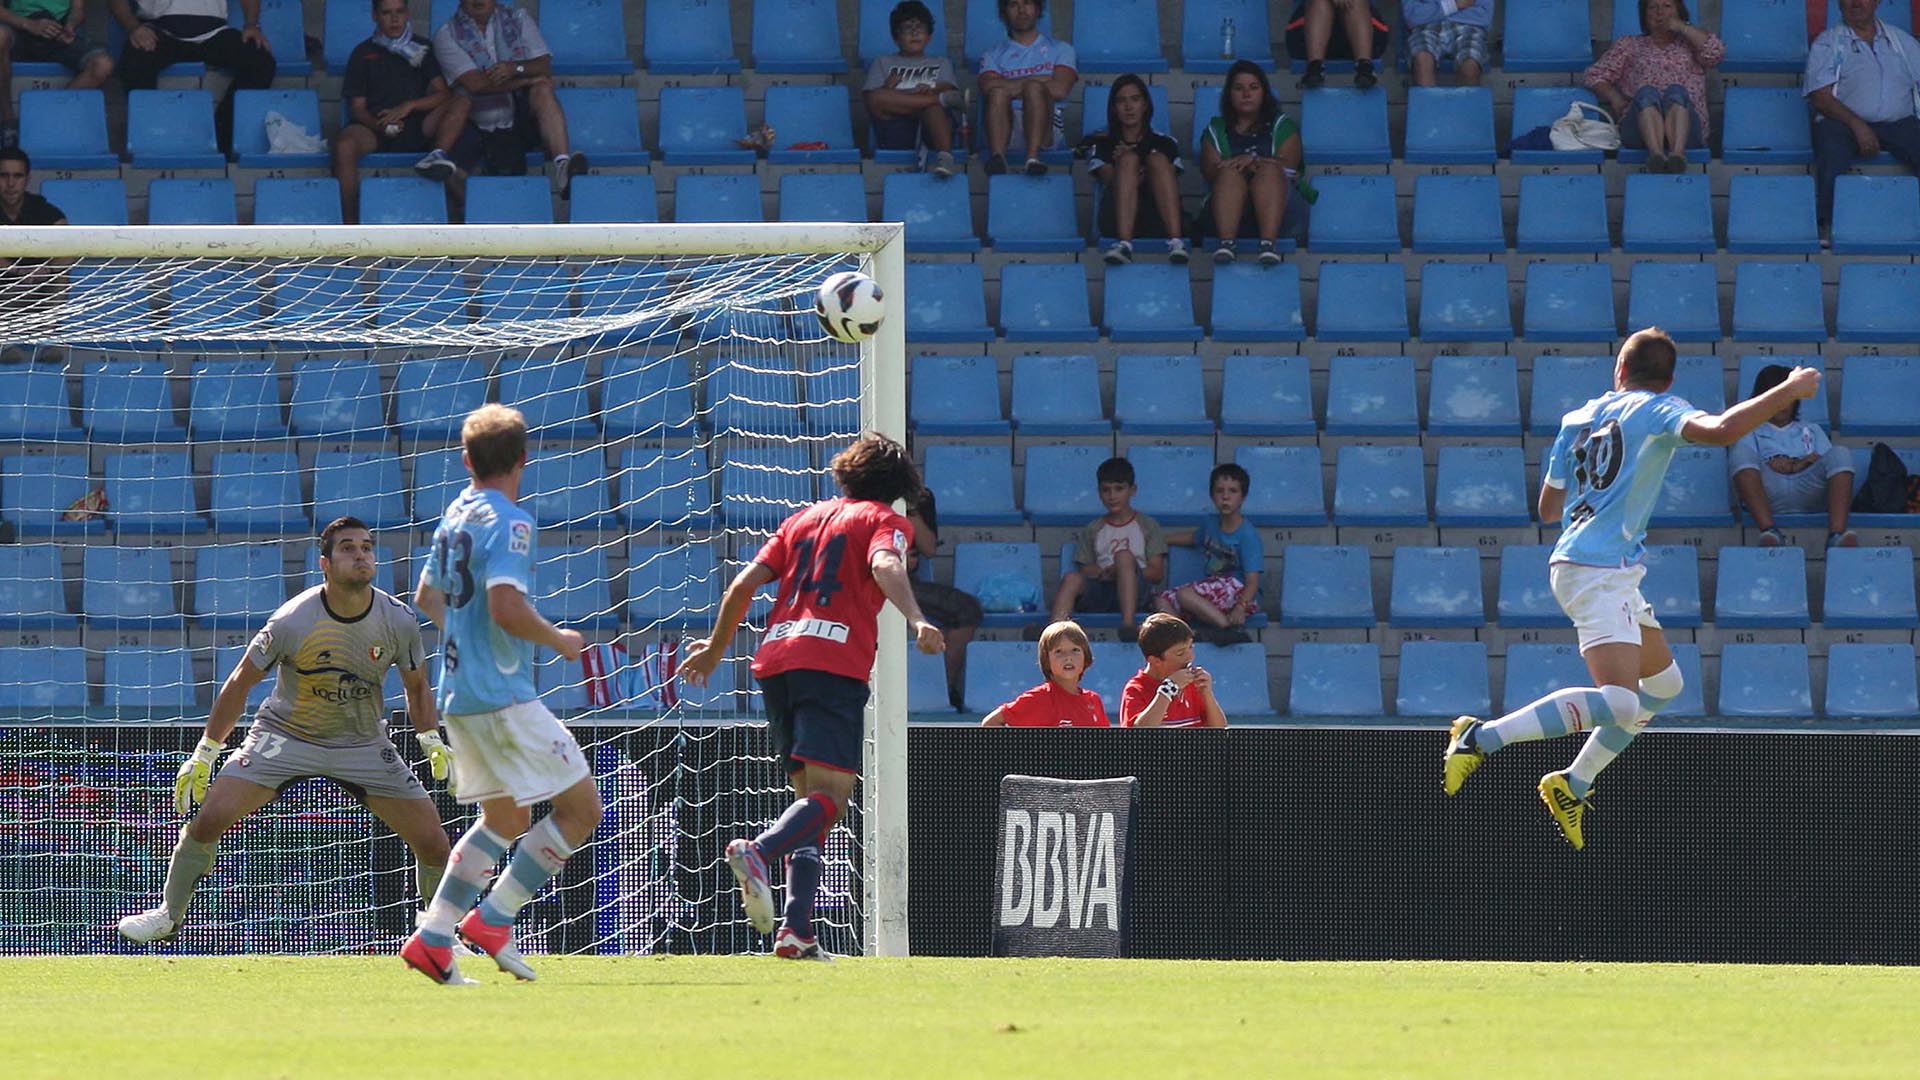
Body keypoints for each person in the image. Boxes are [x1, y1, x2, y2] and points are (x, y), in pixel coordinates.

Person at [1443, 329, 1821, 850]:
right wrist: (1791, 389)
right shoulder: (1659, 409)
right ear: (1668, 381)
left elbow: (1548, 510)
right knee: (1621, 705)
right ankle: (1478, 738)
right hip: (1597, 571)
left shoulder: (1577, 418)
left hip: (1599, 566)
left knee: (1664, 687)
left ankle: (1572, 784)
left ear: (1618, 371)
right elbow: (1720, 430)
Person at [117, 517, 454, 944]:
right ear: (325, 563)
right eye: (348, 548)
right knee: (209, 820)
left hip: (362, 742)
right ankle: (167, 915)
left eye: (367, 547)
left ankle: (439, 934)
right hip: (286, 737)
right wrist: (206, 751)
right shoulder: (293, 620)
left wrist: (430, 738)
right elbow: (241, 681)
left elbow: (417, 684)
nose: (361, 555)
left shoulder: (399, 620)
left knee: (434, 844)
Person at [680, 433, 945, 962]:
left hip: (777, 662)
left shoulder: (801, 519)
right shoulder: (886, 522)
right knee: (832, 797)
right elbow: (887, 566)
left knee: (811, 803)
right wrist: (917, 618)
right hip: (831, 662)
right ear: (900, 486)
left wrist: (713, 650)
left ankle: (797, 931)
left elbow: (741, 586)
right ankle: (758, 850)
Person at [403, 404, 599, 984]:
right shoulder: (510, 521)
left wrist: (468, 642)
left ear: (466, 460)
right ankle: (493, 919)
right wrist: (560, 640)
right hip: (503, 695)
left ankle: (435, 937)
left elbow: (426, 599)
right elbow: (506, 607)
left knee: (505, 818)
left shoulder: (454, 517)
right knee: (581, 809)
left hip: (458, 694)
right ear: (523, 459)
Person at [334, 0, 473, 224]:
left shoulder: (423, 48)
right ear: (375, 16)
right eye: (387, 13)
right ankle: (350, 224)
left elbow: (443, 93)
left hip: (417, 124)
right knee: (344, 145)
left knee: (462, 101)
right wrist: (381, 124)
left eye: (399, 12)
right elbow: (357, 108)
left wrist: (410, 106)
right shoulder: (362, 53)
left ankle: (436, 156)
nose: (394, 19)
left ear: (408, 14)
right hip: (375, 127)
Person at [432, 0, 585, 195]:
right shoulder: (446, 34)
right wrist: (525, 80)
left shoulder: (518, 18)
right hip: (473, 121)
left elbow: (544, 66)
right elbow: (476, 85)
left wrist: (515, 68)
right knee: (453, 172)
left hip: (517, 116)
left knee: (543, 91)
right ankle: (470, 211)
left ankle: (562, 166)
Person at [1804, 0, 1920, 232]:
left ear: (1876, 2)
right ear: (1839, 4)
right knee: (1830, 148)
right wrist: (1857, 124)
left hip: (1899, 122)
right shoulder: (1828, 43)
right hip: (1843, 122)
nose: (1855, 3)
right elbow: (1820, 97)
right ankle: (1827, 225)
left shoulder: (1902, 42)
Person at [109, 0, 274, 153]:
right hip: (159, 30)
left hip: (214, 32)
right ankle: (152, 139)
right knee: (134, 61)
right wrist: (133, 27)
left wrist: (252, 25)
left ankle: (222, 139)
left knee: (261, 62)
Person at [1585, 0, 1724, 173]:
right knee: (1647, 92)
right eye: (1652, 7)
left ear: (1679, 12)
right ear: (1644, 15)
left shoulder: (1690, 44)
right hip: (1639, 130)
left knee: (1676, 91)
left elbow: (1715, 52)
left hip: (1687, 129)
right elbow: (1594, 74)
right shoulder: (1628, 44)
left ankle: (1677, 156)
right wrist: (1615, 98)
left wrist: (1681, 27)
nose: (1659, 12)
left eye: (1667, 6)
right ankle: (1656, 155)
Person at [1730, 364, 1858, 549]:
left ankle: (1836, 535)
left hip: (1809, 492)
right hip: (1769, 492)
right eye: (1776, 398)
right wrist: (1798, 463)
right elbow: (1749, 467)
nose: (1782, 404)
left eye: (1787, 397)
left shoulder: (1812, 429)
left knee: (1841, 453)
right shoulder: (1749, 430)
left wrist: (1793, 466)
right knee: (1740, 454)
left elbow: (1823, 462)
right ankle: (1770, 532)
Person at [1198, 60, 1309, 267]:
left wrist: (1253, 161)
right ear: (1229, 95)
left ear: (1264, 93)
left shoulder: (1282, 126)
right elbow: (1211, 172)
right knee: (1229, 174)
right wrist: (1241, 166)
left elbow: (1288, 167)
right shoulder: (1216, 129)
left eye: (1253, 88)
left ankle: (1268, 244)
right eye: (1239, 88)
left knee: (1269, 170)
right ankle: (1227, 243)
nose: (1246, 94)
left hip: (1281, 213)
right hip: (1226, 213)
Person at [1049, 455, 1166, 644]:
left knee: (1123, 557)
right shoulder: (1093, 528)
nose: (1112, 496)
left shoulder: (1147, 525)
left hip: (1137, 592)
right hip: (1102, 591)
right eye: (1106, 490)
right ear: (1099, 492)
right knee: (1071, 578)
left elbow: (1157, 572)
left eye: (1119, 489)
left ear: (1132, 490)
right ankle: (1053, 633)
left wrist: (1123, 570)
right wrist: (1102, 572)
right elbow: (1085, 567)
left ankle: (1128, 625)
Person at [1079, 72, 1188, 266]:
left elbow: (1168, 180)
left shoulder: (1166, 143)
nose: (1129, 107)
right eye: (1121, 101)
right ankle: (1124, 245)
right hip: (1116, 216)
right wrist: (1128, 165)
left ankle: (1176, 242)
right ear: (1114, 108)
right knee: (1128, 160)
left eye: (1135, 99)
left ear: (1145, 105)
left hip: (1158, 215)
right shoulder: (1102, 143)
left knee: (1156, 160)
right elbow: (1110, 181)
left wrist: (1138, 167)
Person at [1155, 463, 1263, 645]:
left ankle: (1230, 630)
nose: (1225, 497)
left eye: (1233, 491)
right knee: (1161, 601)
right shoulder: (1210, 524)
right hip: (1214, 588)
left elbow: (1252, 582)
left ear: (1243, 497)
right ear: (1212, 496)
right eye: (1220, 491)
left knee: (1184, 595)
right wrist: (1162, 540)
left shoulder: (1248, 534)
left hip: (1240, 593)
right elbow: (1191, 538)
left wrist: (1240, 608)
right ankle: (1189, 638)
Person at [862, 0, 965, 179]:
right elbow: (873, 101)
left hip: (933, 127)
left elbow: (947, 87)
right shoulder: (882, 62)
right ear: (896, 38)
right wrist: (889, 87)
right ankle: (935, 100)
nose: (915, 33)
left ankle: (945, 158)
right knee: (876, 96)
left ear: (929, 37)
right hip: (896, 127)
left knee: (934, 107)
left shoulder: (941, 63)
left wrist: (930, 90)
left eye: (920, 28)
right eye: (907, 28)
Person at [976, 0, 1076, 177]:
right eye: (1013, 4)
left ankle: (1032, 159)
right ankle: (998, 158)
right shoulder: (992, 53)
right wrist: (1041, 79)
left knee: (1033, 90)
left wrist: (1012, 84)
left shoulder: (1061, 49)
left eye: (1027, 3)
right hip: (1004, 125)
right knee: (999, 93)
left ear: (1038, 9)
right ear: (1004, 12)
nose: (1021, 10)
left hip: (1046, 126)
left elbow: (1060, 89)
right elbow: (988, 87)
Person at [905, 486, 980, 710]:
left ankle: (943, 688)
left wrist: (911, 510)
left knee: (967, 609)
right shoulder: (863, 493)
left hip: (907, 583)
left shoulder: (922, 497)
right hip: (866, 579)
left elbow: (929, 549)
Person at [0, 0, 113, 147]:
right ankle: (9, 121)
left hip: (56, 30)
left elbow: (78, 9)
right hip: (18, 27)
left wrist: (70, 27)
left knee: (103, 65)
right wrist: (29, 24)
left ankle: (50, 116)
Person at [982, 620, 1110, 727]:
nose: (1068, 657)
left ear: (1086, 657)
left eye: (1075, 650)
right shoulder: (1039, 697)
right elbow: (990, 723)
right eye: (1059, 651)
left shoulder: (1093, 700)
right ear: (1046, 661)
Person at [1118, 613, 1227, 728]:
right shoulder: (1135, 689)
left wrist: (1207, 694)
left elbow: (1219, 732)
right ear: (1156, 661)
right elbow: (1137, 735)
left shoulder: (1192, 686)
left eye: (1190, 647)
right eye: (1180, 653)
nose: (1190, 657)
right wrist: (1168, 690)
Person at [1289, 0, 1390, 89]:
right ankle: (1314, 68)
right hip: (1306, 38)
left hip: (1366, 35)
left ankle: (1364, 68)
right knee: (1321, 1)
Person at [1403, 0, 1490, 88]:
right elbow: (1412, 16)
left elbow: (1483, 16)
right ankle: (1428, 101)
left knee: (1470, 65)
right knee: (1422, 59)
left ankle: (1466, 101)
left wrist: (1432, 11)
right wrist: (1453, 5)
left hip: (1469, 26)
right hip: (1426, 27)